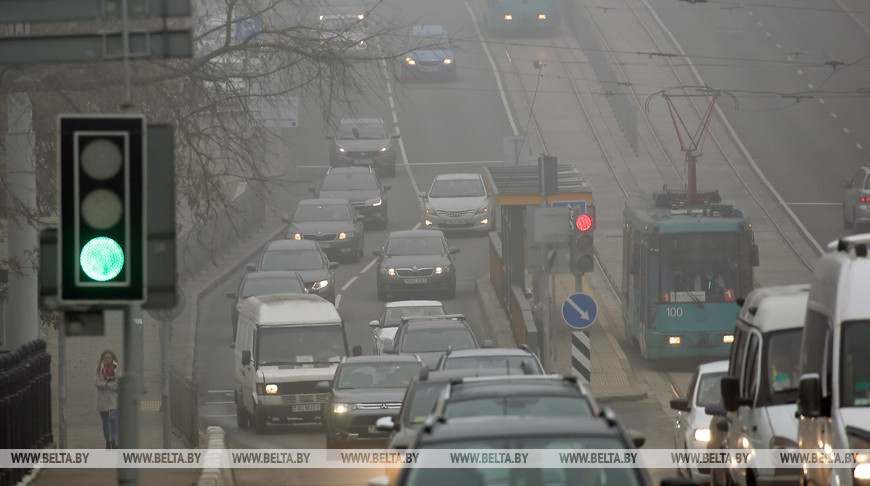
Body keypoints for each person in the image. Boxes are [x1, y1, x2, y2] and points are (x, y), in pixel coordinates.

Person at [95, 350, 120, 449]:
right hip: (102, 398)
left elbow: (119, 383)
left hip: (114, 397)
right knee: (105, 423)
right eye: (106, 358)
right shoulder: (99, 369)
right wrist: (104, 384)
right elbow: (96, 382)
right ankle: (108, 441)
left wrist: (111, 386)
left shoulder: (117, 368)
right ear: (103, 359)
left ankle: (114, 439)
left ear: (112, 358)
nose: (108, 359)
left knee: (113, 419)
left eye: (110, 357)